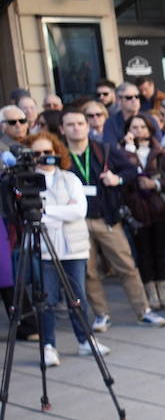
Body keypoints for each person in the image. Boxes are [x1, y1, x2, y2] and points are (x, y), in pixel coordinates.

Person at [59, 107, 165, 331]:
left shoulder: (103, 149)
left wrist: (116, 179)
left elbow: (132, 170)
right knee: (88, 272)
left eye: (80, 123)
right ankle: (101, 315)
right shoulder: (60, 156)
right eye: (70, 124)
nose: (76, 128)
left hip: (105, 218)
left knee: (126, 265)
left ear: (87, 126)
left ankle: (143, 310)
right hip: (75, 222)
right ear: (62, 129)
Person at [27, 131, 102, 368]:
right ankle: (49, 346)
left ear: (57, 153)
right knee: (46, 299)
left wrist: (47, 211)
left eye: (47, 152)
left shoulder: (70, 178)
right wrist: (60, 210)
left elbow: (78, 211)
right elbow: (30, 214)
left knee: (77, 296)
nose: (42, 157)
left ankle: (85, 340)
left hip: (73, 248)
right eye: (36, 153)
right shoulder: (27, 181)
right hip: (45, 248)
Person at [120, 113, 165, 312]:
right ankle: (150, 292)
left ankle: (163, 289)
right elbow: (122, 179)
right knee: (143, 253)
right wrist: (128, 151)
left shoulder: (162, 153)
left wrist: (156, 184)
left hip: (159, 207)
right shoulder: (122, 152)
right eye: (134, 127)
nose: (139, 131)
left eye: (142, 127)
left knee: (161, 251)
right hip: (137, 210)